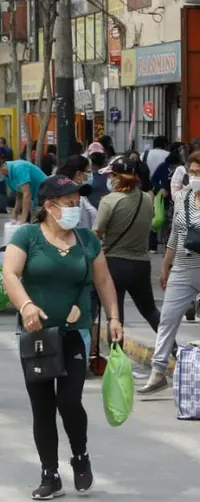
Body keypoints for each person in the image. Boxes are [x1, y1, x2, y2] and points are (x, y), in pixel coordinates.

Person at [3, 175, 123, 499]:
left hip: (75, 333)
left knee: (69, 402)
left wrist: (113, 317)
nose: (75, 208)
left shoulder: (87, 240)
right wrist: (26, 305)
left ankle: (80, 456)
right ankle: (50, 474)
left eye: (77, 202)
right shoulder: (28, 236)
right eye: (69, 203)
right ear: (50, 206)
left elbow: (104, 281)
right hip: (37, 335)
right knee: (42, 406)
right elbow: (10, 273)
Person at [139, 151, 200, 394]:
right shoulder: (183, 197)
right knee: (167, 319)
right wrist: (165, 267)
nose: (194, 177)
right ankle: (158, 372)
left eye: (199, 173)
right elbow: (174, 235)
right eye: (192, 172)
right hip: (183, 269)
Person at [92, 154, 157, 330]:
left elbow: (96, 234)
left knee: (115, 315)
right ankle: (172, 345)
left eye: (110, 175)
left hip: (114, 263)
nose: (108, 179)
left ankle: (116, 348)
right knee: (150, 310)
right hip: (141, 263)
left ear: (117, 177)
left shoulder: (109, 201)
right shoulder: (147, 198)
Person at [0, 158, 49, 223]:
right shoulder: (6, 175)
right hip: (36, 198)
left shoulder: (19, 167)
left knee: (44, 224)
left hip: (46, 195)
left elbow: (27, 194)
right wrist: (15, 211)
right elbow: (19, 193)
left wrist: (23, 218)